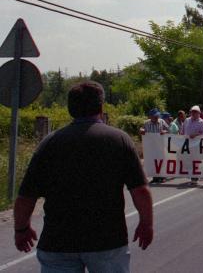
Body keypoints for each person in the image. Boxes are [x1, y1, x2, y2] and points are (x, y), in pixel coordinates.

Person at [14, 81, 153, 272]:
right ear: (101, 107)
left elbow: (26, 196)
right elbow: (140, 190)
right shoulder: (119, 140)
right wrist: (146, 224)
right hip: (107, 241)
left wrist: (21, 229)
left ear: (70, 108)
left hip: (58, 243)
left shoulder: (50, 143)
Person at [143, 108, 168, 183]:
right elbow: (142, 130)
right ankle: (155, 177)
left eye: (157, 116)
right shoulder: (146, 123)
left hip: (160, 145)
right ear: (150, 117)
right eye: (155, 116)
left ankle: (163, 177)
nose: (157, 117)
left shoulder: (162, 121)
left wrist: (164, 131)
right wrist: (141, 130)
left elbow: (168, 129)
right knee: (153, 161)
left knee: (161, 161)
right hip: (151, 146)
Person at [184, 105, 203, 185]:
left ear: (199, 113)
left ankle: (195, 178)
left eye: (195, 112)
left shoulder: (201, 122)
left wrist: (196, 135)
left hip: (197, 145)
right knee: (189, 161)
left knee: (196, 161)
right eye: (192, 112)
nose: (193, 113)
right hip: (187, 145)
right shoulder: (187, 120)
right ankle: (192, 176)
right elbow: (183, 131)